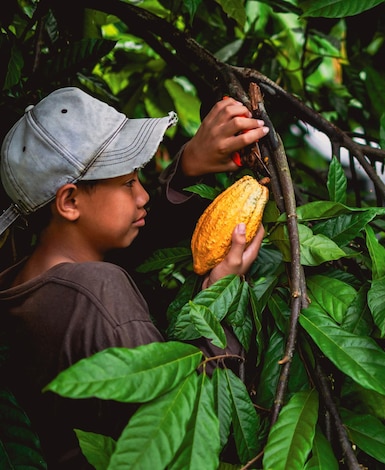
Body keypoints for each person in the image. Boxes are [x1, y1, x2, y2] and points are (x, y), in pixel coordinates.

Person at [0, 86, 268, 468]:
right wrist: (217, 298)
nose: (142, 196)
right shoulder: (98, 292)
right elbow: (180, 425)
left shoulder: (20, 280)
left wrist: (187, 168)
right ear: (70, 201)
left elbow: (132, 245)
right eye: (128, 183)